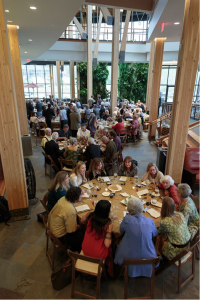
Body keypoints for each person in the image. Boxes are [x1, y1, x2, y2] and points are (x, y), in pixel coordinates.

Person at [114, 197, 158, 277]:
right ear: (141, 208)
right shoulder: (150, 221)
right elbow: (155, 234)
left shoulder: (126, 219)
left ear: (129, 209)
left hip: (127, 257)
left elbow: (121, 231)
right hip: (149, 258)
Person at [48, 187, 84, 252]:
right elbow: (71, 231)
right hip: (60, 236)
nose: (82, 196)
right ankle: (75, 251)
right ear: (76, 198)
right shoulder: (70, 210)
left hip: (52, 228)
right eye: (81, 195)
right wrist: (79, 226)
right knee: (83, 235)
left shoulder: (63, 199)